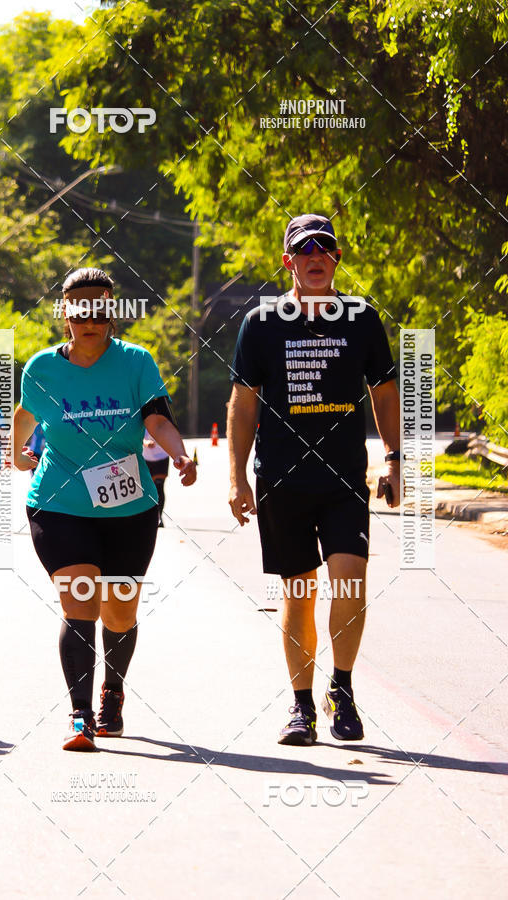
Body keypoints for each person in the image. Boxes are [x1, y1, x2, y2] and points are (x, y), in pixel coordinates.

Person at [227, 214, 400, 746]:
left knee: (350, 579)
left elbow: (385, 392)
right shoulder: (261, 322)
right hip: (281, 479)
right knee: (299, 593)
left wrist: (394, 457)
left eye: (325, 249)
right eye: (305, 251)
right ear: (289, 261)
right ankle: (301, 707)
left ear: (337, 258)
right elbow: (243, 403)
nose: (316, 257)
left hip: (344, 477)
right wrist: (237, 478)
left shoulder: (362, 318)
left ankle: (341, 691)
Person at [12, 267, 196, 752]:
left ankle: (111, 691)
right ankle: (79, 717)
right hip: (59, 502)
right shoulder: (42, 369)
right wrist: (16, 453)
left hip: (129, 507)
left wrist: (178, 453)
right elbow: (25, 416)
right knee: (80, 601)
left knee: (119, 611)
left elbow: (157, 417)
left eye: (99, 310)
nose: (90, 320)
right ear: (66, 315)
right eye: (80, 312)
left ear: (111, 312)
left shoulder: (136, 362)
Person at [142, 428, 169, 526]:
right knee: (149, 489)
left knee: (159, 487)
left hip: (162, 457)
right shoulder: (144, 420)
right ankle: (149, 516)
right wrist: (146, 442)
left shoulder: (164, 421)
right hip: (147, 458)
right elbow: (139, 437)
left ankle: (159, 517)